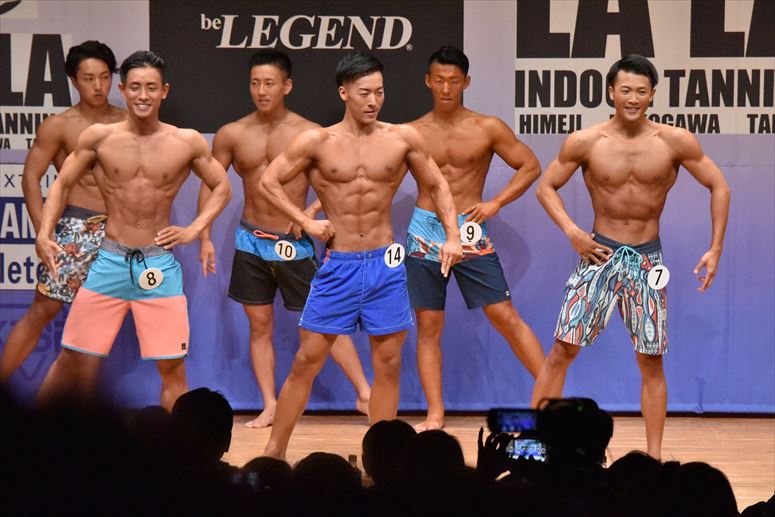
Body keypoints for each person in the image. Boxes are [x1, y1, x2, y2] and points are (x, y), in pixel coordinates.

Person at [258, 52, 462, 459]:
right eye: (365, 92)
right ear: (344, 92)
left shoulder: (402, 138)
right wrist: (305, 220)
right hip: (340, 264)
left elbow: (438, 185)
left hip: (386, 263)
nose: (373, 101)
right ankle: (273, 453)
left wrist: (453, 236)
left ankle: (381, 459)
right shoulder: (317, 141)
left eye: (379, 92)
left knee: (388, 364)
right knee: (306, 361)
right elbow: (269, 181)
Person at [531, 54, 730, 459]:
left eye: (641, 91)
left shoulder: (675, 141)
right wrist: (573, 232)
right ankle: (535, 446)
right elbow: (545, 187)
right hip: (599, 255)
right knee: (561, 351)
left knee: (651, 361)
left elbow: (719, 186)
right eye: (625, 90)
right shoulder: (586, 141)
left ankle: (653, 459)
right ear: (611, 92)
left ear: (652, 94)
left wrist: (715, 247)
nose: (633, 98)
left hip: (647, 261)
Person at [35, 50, 232, 410]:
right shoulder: (99, 138)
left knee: (172, 369)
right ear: (123, 89)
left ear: (164, 91)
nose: (143, 95)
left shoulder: (186, 141)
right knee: (72, 357)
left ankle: (179, 444)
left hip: (158, 265)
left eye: (151, 88)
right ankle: (31, 436)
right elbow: (61, 184)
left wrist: (195, 229)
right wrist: (44, 233)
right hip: (109, 261)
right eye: (136, 87)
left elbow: (222, 187)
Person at [198, 50, 371, 428]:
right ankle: (270, 405)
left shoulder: (309, 134)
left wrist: (308, 215)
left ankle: (364, 393)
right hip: (250, 241)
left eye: (270, 83)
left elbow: (335, 182)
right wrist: (205, 235)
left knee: (324, 322)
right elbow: (212, 185)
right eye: (255, 83)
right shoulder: (231, 134)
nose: (261, 91)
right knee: (259, 325)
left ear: (287, 86)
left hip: (294, 242)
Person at [407, 45, 545, 431]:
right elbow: (379, 178)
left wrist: (497, 202)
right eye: (439, 80)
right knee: (428, 325)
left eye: (453, 81)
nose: (446, 88)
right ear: (428, 81)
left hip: (469, 229)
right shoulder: (412, 132)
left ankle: (552, 401)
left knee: (504, 316)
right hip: (425, 231)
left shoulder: (487, 128)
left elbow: (530, 165)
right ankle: (435, 414)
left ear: (466, 82)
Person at [0, 41, 125, 385]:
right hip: (75, 227)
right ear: (73, 79)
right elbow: (31, 176)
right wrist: (43, 232)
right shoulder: (59, 125)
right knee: (43, 310)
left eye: (104, 77)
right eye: (88, 78)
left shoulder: (128, 122)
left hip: (119, 230)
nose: (98, 86)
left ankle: (81, 407)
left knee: (99, 321)